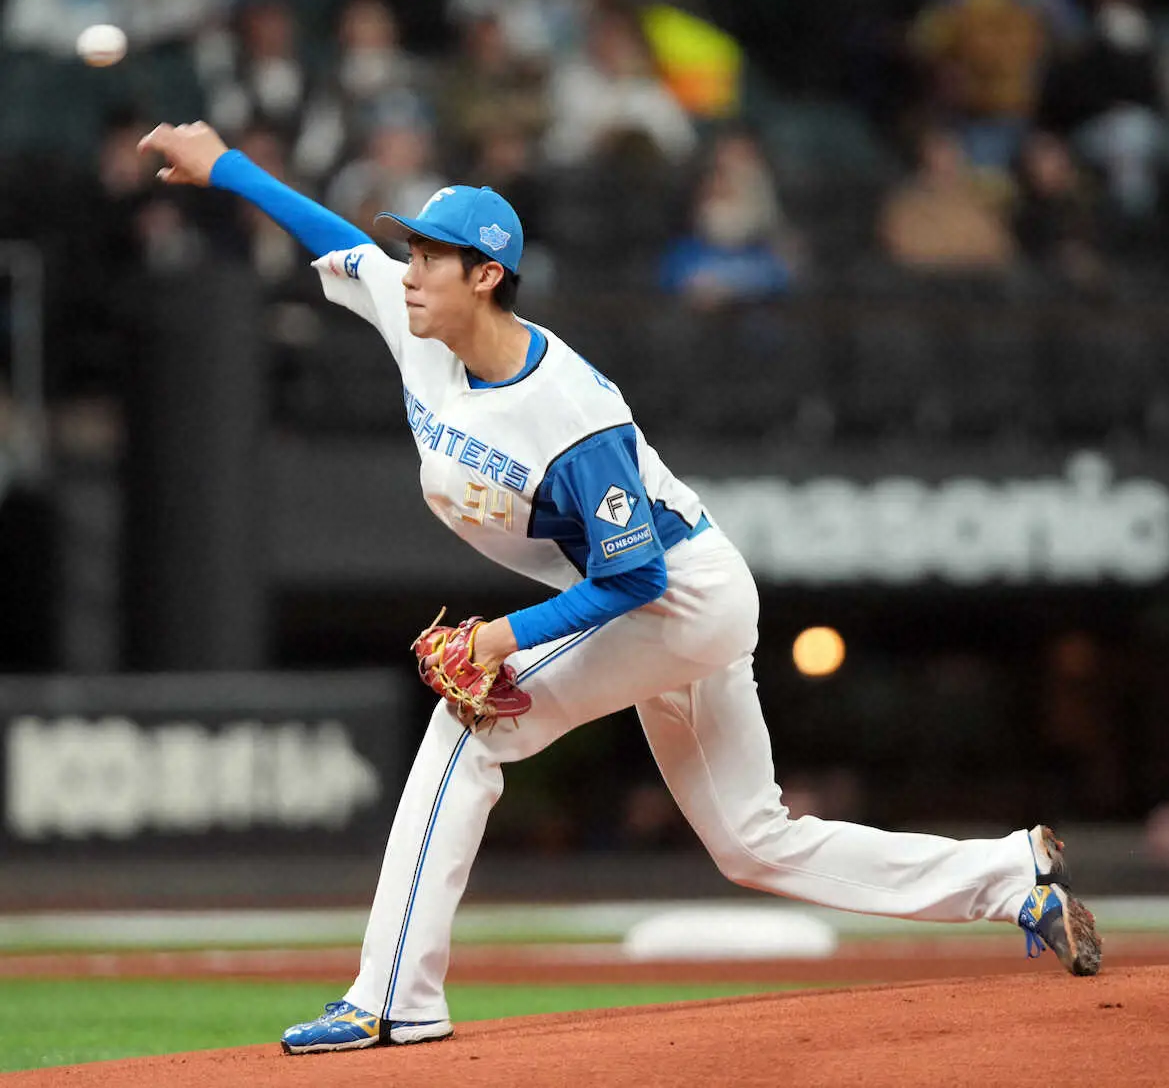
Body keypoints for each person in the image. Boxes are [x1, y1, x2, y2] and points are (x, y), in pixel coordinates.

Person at [136, 120, 1103, 1057]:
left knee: (467, 724)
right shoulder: (419, 316)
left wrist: (504, 638)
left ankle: (393, 1000)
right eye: (412, 252)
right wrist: (227, 167)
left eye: (430, 256)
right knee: (751, 841)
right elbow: (338, 243)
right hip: (651, 602)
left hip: (679, 598)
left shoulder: (571, 415)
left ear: (486, 276)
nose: (409, 270)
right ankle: (1010, 876)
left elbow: (637, 576)